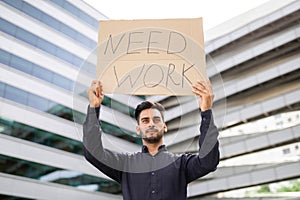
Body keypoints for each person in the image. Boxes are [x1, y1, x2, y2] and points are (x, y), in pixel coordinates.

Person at [83, 80, 220, 200]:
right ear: (138, 129)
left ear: (164, 127)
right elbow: (92, 153)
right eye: (145, 120)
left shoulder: (182, 164)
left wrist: (206, 111)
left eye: (156, 119)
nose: (151, 124)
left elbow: (208, 162)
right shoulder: (125, 165)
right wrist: (94, 108)